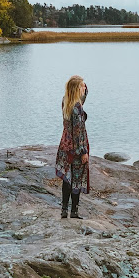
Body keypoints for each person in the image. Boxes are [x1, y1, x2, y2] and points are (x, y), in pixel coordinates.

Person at [55, 75, 90, 219]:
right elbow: (78, 131)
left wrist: (86, 92)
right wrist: (83, 152)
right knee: (75, 178)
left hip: (65, 146)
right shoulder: (76, 108)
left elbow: (80, 100)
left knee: (67, 179)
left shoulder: (66, 101)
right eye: (82, 86)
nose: (84, 88)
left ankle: (64, 210)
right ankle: (74, 212)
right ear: (77, 89)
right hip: (75, 149)